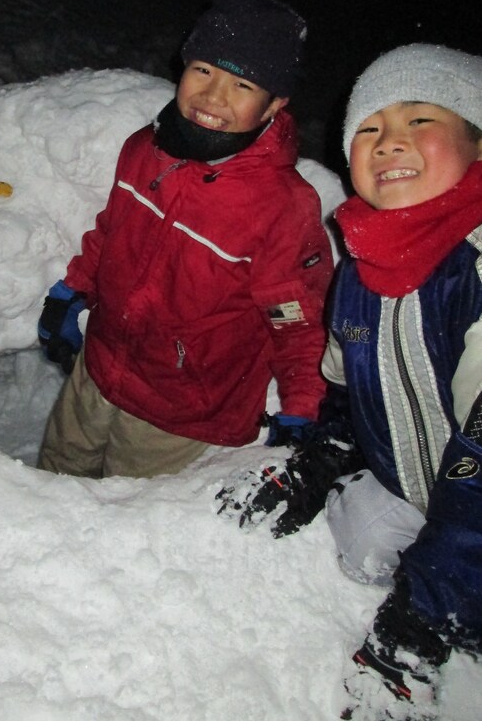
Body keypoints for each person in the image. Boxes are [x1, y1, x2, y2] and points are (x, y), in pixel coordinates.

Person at [217, 44, 482, 719]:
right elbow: (344, 388)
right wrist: (325, 458)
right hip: (425, 487)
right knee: (357, 539)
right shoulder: (361, 273)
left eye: (421, 119)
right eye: (369, 128)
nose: (391, 141)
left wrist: (425, 615)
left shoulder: (473, 268)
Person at [36, 0, 333, 479]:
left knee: (120, 516)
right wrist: (75, 288)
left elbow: (298, 320)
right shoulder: (144, 150)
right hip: (102, 365)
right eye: (203, 70)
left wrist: (302, 406)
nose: (213, 96)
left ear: (275, 104)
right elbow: (114, 231)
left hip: (182, 411)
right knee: (57, 473)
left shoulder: (283, 207)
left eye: (242, 85)